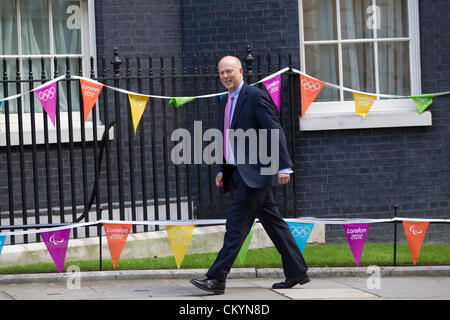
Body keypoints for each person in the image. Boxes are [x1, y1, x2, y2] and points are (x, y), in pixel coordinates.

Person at [190, 56, 309, 295]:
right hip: (242, 173)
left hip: (255, 173)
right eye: (222, 72)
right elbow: (230, 140)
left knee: (236, 225)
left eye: (230, 71)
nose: (226, 76)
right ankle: (297, 271)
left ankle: (217, 278)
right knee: (274, 224)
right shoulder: (226, 100)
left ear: (241, 71)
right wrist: (224, 169)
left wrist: (283, 166)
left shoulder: (254, 96)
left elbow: (274, 129)